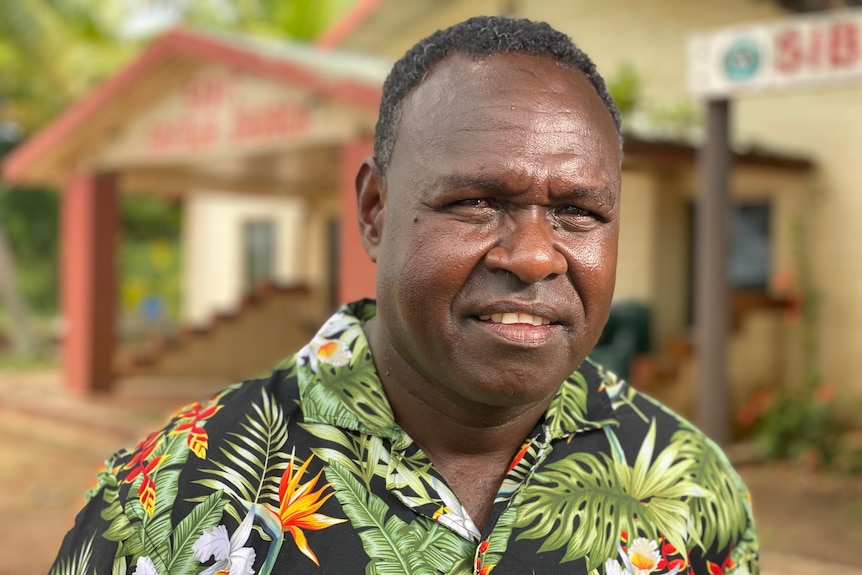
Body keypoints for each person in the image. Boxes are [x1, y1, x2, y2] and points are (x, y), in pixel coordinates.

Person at [50, 15, 758, 575]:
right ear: (375, 211)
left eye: (579, 212)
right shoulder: (170, 495)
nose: (536, 255)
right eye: (478, 201)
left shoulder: (692, 487)